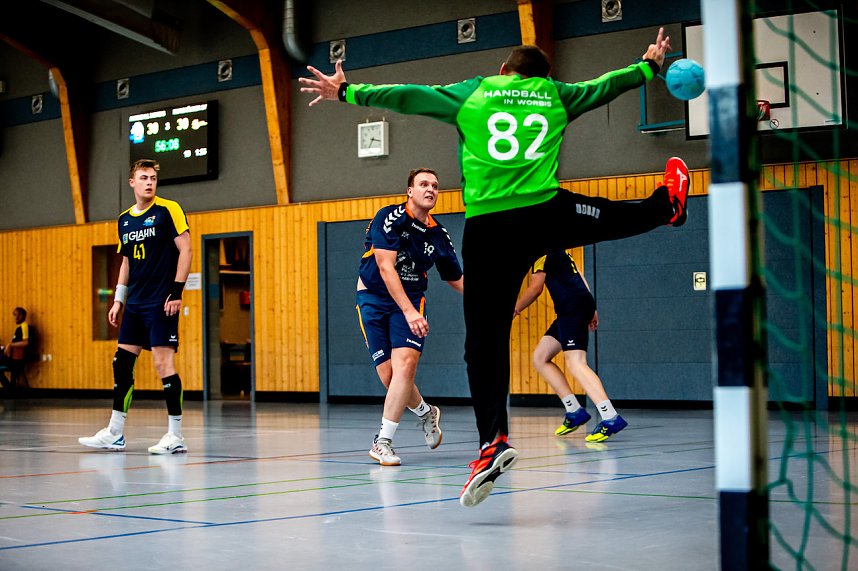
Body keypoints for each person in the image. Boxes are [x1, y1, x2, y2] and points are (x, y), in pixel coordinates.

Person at [300, 28, 689, 507]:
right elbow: (606, 85)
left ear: (505, 69)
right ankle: (665, 206)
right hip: (546, 212)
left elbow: (411, 97)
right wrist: (648, 66)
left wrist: (347, 91)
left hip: (490, 229)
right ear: (545, 76)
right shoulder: (556, 94)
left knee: (483, 343)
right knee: (606, 215)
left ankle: (493, 442)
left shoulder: (476, 91)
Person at [79, 158, 192, 454]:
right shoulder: (124, 220)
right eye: (143, 177)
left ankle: (175, 435)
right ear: (132, 182)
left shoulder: (169, 210)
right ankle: (114, 433)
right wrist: (118, 299)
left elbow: (187, 249)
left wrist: (177, 292)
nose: (149, 182)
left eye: (153, 177)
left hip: (161, 301)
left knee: (162, 363)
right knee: (122, 363)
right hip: (136, 303)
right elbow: (126, 262)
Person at [357, 168, 464, 466]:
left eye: (435, 186)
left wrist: (487, 301)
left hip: (412, 300)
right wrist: (408, 310)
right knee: (390, 376)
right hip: (374, 298)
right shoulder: (389, 217)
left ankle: (383, 442)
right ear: (410, 191)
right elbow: (385, 267)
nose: (430, 189)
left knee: (406, 366)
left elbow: (455, 278)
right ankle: (425, 412)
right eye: (423, 184)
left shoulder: (439, 236)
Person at [514, 250, 626, 442]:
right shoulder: (560, 249)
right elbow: (580, 276)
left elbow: (536, 288)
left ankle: (610, 417)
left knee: (576, 363)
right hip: (573, 308)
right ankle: (574, 410)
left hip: (571, 309)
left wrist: (515, 309)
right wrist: (592, 308)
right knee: (540, 357)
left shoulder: (541, 252)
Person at [0, 307, 31, 392]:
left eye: (18, 315)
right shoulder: (18, 327)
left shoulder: (24, 326)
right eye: (14, 315)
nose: (16, 317)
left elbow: (26, 342)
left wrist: (10, 345)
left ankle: (9, 389)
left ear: (23, 316)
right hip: (13, 356)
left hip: (17, 359)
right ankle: (10, 388)